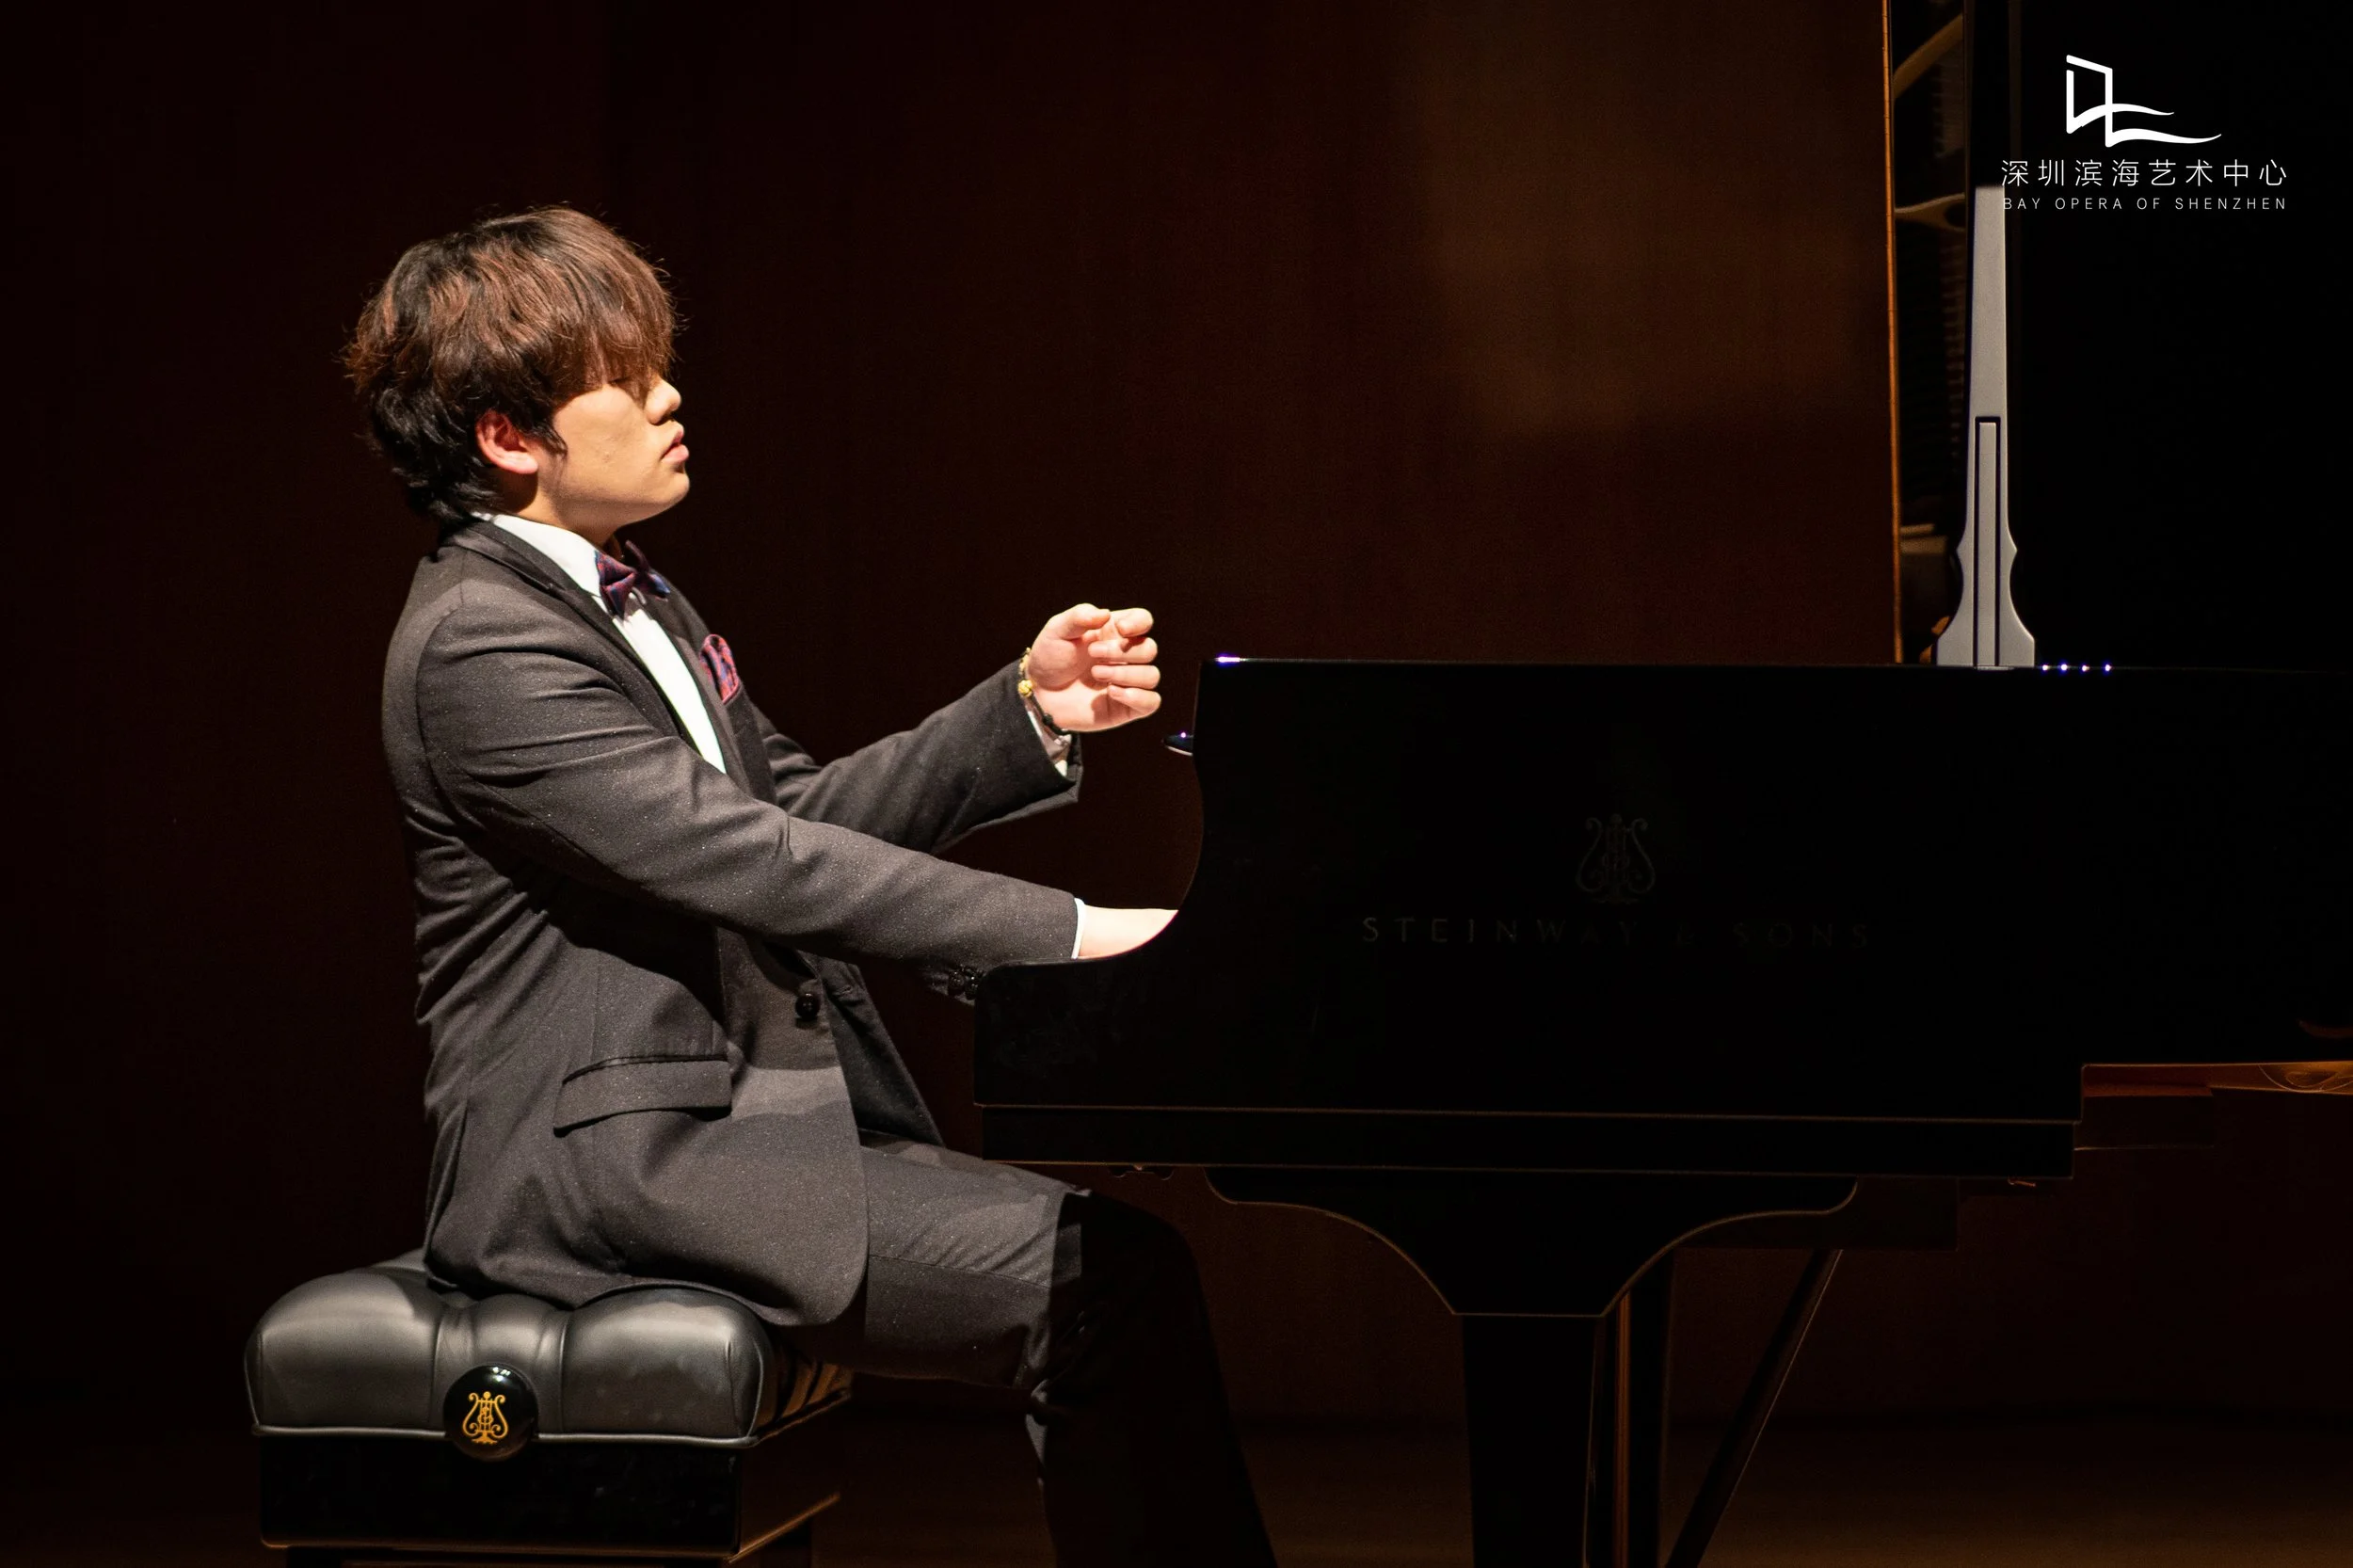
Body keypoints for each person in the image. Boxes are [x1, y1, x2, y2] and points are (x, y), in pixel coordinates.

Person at [354, 207, 1275, 1566]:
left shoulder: (639, 598)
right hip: (613, 1166)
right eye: (626, 374)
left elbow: (787, 812)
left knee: (1120, 1271)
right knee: (1106, 1285)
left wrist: (1022, 713)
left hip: (728, 1128)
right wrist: (1085, 935)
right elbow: (761, 863)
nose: (671, 395)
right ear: (507, 435)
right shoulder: (480, 644)